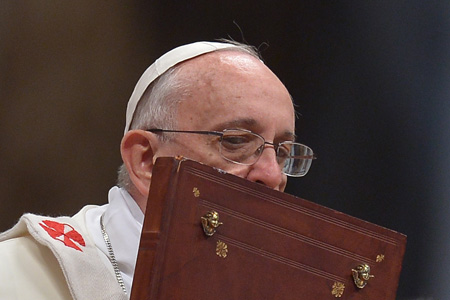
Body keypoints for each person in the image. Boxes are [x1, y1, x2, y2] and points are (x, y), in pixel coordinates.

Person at [0, 40, 315, 300]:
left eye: (283, 152)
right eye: (235, 141)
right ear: (146, 161)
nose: (273, 175)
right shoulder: (19, 276)